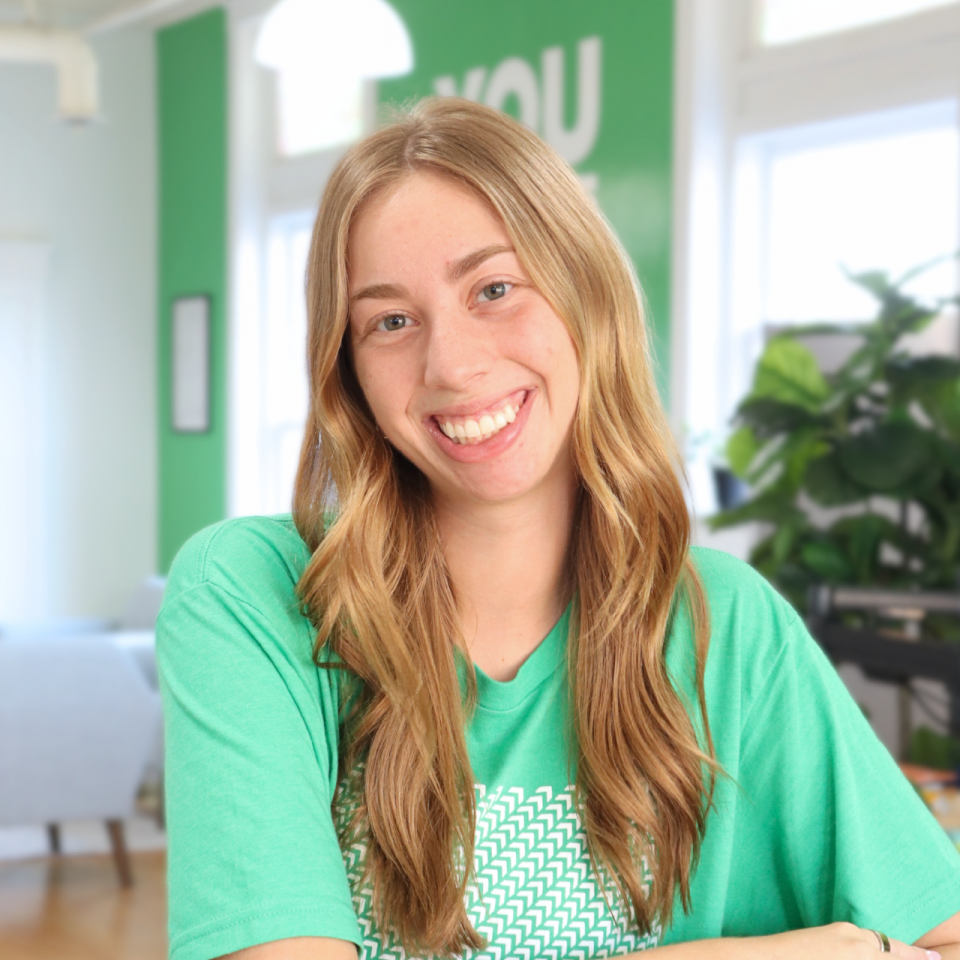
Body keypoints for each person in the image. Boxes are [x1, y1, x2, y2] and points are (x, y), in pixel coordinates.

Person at [157, 98, 960, 960]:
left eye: (495, 289)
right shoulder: (251, 596)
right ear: (349, 372)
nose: (452, 365)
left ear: (588, 296)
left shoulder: (727, 627)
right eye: (390, 321)